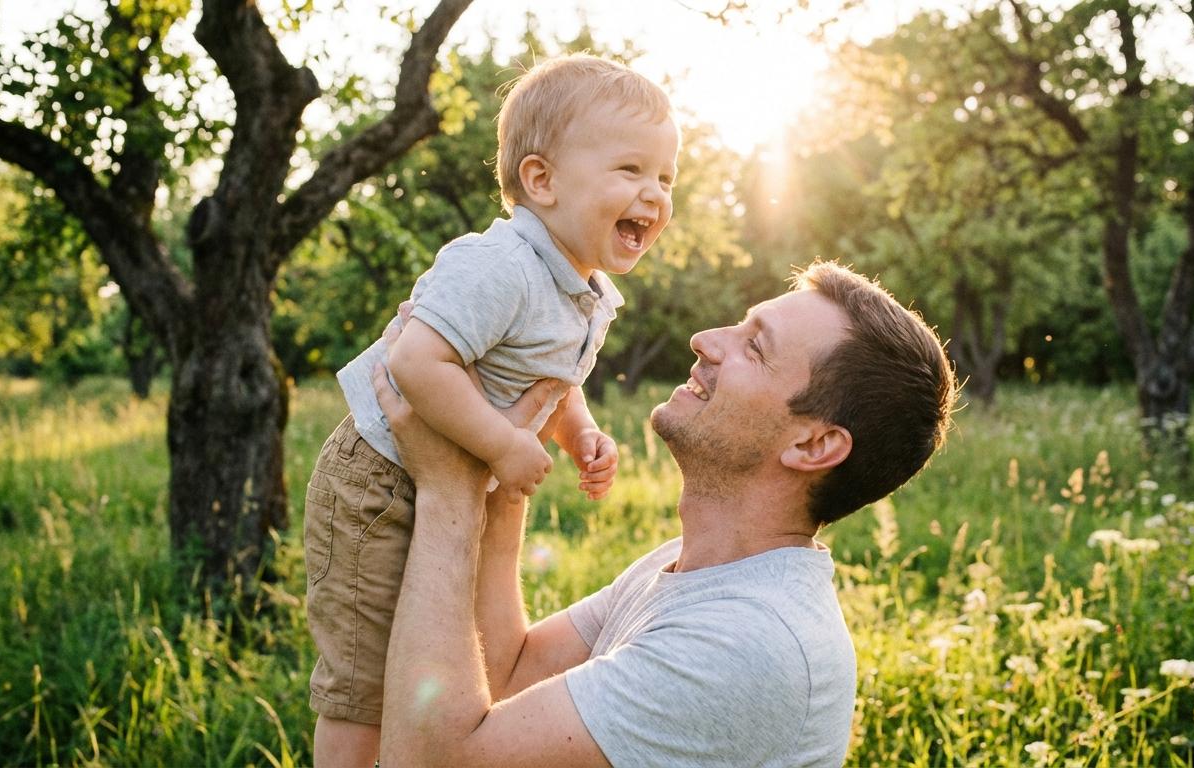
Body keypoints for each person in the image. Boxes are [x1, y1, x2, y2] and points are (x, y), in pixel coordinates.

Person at [374, 261, 958, 767]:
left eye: (754, 347)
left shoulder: (748, 645)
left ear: (812, 446)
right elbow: (510, 671)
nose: (705, 339)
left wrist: (446, 491)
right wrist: (494, 477)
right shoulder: (694, 568)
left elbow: (433, 761)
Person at [304, 53, 678, 767]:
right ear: (541, 180)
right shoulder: (497, 264)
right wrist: (503, 448)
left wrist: (583, 432)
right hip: (378, 484)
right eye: (630, 171)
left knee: (439, 656)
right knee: (365, 681)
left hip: (449, 482)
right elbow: (417, 363)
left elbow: (555, 379)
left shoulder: (585, 290)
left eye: (665, 178)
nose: (654, 194)